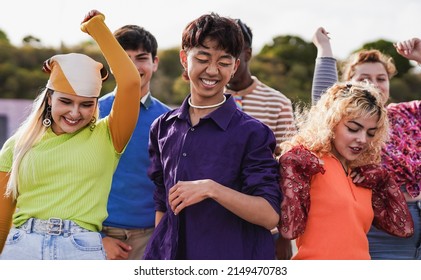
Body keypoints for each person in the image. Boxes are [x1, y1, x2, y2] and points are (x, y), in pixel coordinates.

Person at [0, 10, 141, 260]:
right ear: (49, 98)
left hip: (80, 250)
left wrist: (96, 28)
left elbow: (130, 81)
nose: (75, 113)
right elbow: (1, 219)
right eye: (66, 101)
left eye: (87, 104)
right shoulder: (17, 145)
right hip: (21, 249)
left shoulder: (109, 136)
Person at [143, 13, 281, 260]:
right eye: (203, 58)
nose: (212, 70)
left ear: (235, 66)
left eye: (224, 62)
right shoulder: (162, 127)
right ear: (185, 59)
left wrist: (211, 189)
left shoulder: (254, 133)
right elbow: (162, 202)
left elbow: (269, 214)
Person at [312, 27, 420, 259]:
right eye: (364, 79)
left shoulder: (407, 113)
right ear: (347, 84)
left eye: (381, 78)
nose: (374, 84)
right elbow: (323, 98)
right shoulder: (343, 125)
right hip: (380, 225)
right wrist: (325, 50)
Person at [278, 81, 414, 259]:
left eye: (371, 133)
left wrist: (384, 180)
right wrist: (292, 170)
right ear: (331, 122)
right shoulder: (308, 163)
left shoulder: (364, 174)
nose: (362, 139)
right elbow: (290, 230)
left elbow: (403, 228)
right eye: (353, 129)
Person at [99, 25, 171, 260]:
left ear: (155, 63)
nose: (132, 66)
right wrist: (98, 237)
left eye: (141, 58)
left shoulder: (169, 119)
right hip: (97, 233)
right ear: (112, 63)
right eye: (124, 58)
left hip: (150, 235)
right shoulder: (93, 111)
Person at [225, 19, 295, 260]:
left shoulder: (278, 103)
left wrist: (285, 235)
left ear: (247, 53)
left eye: (233, 49)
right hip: (218, 226)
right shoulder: (207, 101)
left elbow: (289, 171)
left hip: (267, 229)